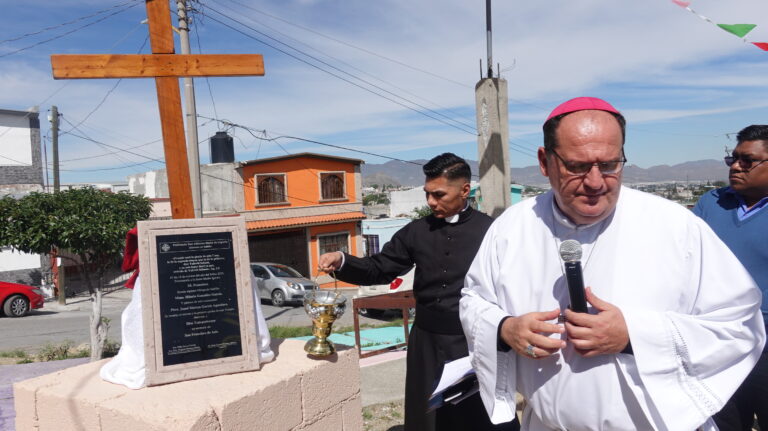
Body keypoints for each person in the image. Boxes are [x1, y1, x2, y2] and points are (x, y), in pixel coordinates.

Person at [459, 97, 766, 430]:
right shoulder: (512, 227)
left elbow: (739, 327)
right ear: (545, 162)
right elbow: (474, 301)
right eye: (577, 166)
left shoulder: (677, 227)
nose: (595, 181)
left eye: (609, 165)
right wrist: (505, 329)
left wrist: (633, 335)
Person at [318, 153, 518, 431]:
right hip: (426, 343)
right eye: (427, 194)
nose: (431, 202)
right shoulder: (416, 231)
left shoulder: (492, 231)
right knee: (427, 418)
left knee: (476, 417)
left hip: (473, 341)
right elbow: (380, 268)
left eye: (439, 195)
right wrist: (342, 261)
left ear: (464, 190)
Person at [693, 124, 768, 431]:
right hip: (717, 344)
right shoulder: (710, 203)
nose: (736, 166)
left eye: (747, 160)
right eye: (733, 159)